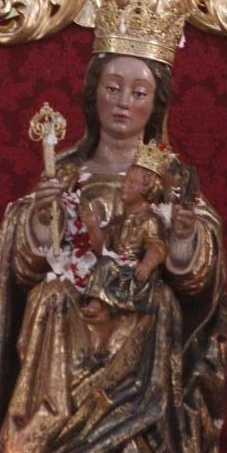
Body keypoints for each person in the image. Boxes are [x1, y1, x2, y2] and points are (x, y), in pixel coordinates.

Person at [0, 18, 227, 453]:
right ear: (93, 95)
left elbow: (198, 276)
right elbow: (24, 265)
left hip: (141, 311)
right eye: (112, 88)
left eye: (138, 92)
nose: (123, 102)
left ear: (156, 103)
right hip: (72, 308)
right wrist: (42, 219)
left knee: (158, 305)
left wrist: (182, 236)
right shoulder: (66, 170)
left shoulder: (172, 179)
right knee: (48, 297)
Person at [80, 139, 170, 351]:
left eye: (131, 183)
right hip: (115, 269)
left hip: (135, 274)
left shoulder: (150, 220)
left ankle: (100, 303)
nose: (124, 185)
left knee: (106, 265)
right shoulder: (118, 222)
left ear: (147, 189)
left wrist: (147, 264)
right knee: (103, 263)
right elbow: (103, 248)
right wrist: (93, 227)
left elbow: (157, 247)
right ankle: (99, 303)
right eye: (125, 181)